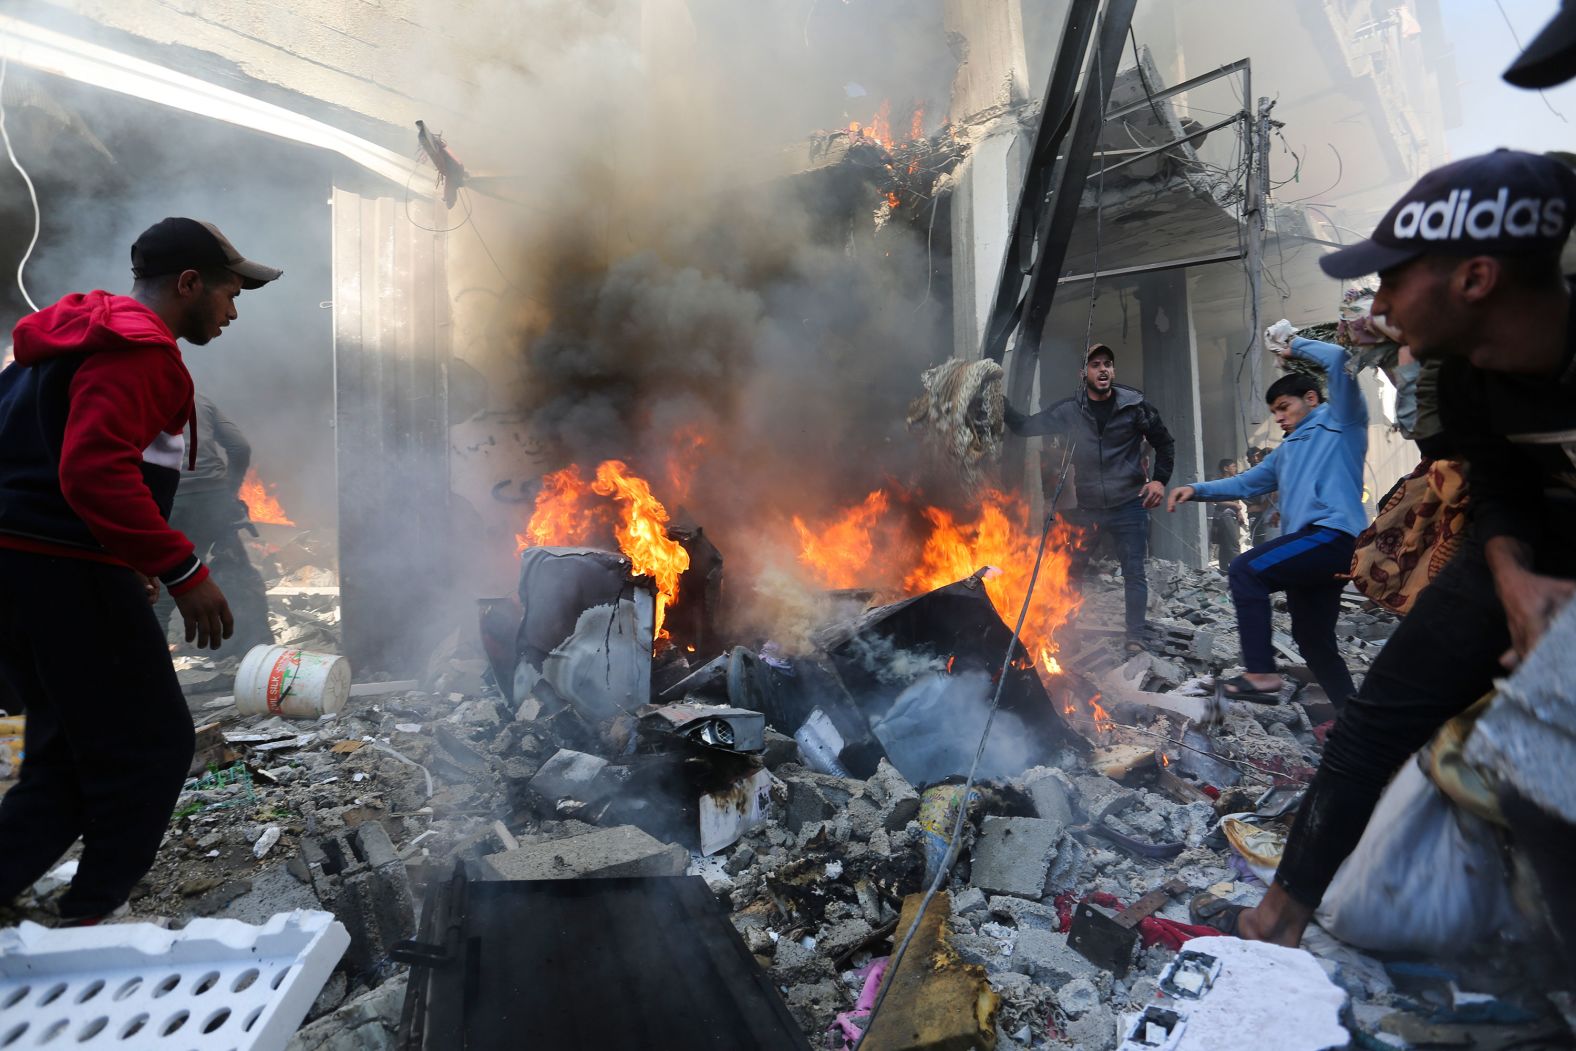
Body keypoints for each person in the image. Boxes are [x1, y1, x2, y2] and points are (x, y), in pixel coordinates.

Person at [1206, 150, 1576, 949]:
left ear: (1475, 279)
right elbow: (1499, 479)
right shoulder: (1465, 374)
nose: (1378, 304)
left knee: (1550, 766)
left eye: (1393, 280)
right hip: (1530, 533)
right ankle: (1278, 917)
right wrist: (1513, 582)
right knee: (1379, 717)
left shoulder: (1339, 415)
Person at [0, 217, 280, 924]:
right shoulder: (141, 352)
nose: (234, 310)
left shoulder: (68, 341)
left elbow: (43, 466)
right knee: (155, 746)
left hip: (32, 572)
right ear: (188, 283)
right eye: (228, 292)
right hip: (60, 573)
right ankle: (87, 913)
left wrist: (119, 554)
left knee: (64, 753)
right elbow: (92, 471)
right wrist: (183, 568)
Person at [1167, 334, 1367, 711]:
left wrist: (1294, 345)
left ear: (1311, 398)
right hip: (1312, 548)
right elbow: (1245, 482)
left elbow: (1340, 359)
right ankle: (1355, 723)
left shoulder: (1343, 422)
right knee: (1313, 643)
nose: (1277, 417)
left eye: (1283, 407)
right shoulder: (1286, 452)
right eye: (1274, 411)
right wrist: (1195, 489)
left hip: (1335, 536)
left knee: (1245, 569)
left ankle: (1261, 673)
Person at [1006, 343, 1175, 649]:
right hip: (1090, 508)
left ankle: (1134, 635)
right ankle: (1066, 634)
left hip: (1129, 505)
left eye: (1107, 364)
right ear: (1083, 373)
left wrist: (1160, 481)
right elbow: (1024, 426)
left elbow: (1165, 443)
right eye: (1095, 365)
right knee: (1072, 571)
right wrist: (997, 402)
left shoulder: (1135, 407)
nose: (1103, 370)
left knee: (1134, 571)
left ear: (1113, 370)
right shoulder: (1070, 411)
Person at [151, 394, 274, 657]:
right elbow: (240, 448)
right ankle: (257, 652)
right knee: (235, 570)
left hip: (172, 498)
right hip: (214, 496)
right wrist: (228, 490)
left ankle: (153, 668)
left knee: (163, 587)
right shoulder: (198, 400)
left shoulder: (132, 398)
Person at [1209, 458, 1247, 570]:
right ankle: (1240, 571)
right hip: (1224, 516)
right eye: (1233, 466)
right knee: (1233, 545)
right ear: (1226, 468)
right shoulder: (1220, 483)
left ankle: (1224, 572)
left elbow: (1235, 500)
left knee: (1226, 546)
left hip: (1231, 516)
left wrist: (1239, 513)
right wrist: (1235, 506)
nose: (1235, 468)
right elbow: (1216, 500)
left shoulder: (1232, 482)